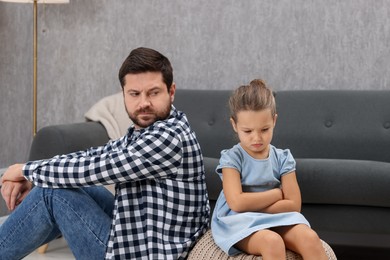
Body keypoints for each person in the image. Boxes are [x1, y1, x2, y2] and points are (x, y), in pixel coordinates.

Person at [0, 47, 210, 260]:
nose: (144, 103)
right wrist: (32, 176)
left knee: (52, 194)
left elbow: (96, 169)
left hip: (151, 254)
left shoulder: (168, 137)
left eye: (153, 93)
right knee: (66, 183)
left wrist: (25, 170)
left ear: (171, 92)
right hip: (140, 238)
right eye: (134, 94)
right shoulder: (147, 131)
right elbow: (96, 156)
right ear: (124, 95)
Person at [211, 79, 328, 259]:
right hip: (239, 221)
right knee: (272, 242)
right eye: (247, 131)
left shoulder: (283, 158)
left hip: (276, 218)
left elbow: (294, 205)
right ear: (234, 125)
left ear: (274, 121)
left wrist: (252, 205)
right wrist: (275, 194)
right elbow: (237, 203)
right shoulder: (232, 158)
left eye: (264, 129)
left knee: (310, 238)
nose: (256, 138)